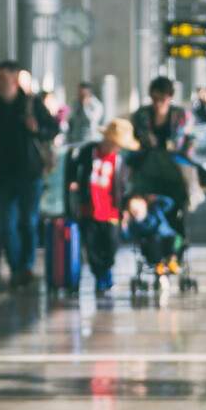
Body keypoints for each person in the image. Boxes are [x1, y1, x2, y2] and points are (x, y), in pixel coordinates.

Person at [0, 60, 58, 287]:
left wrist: (37, 128)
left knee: (28, 222)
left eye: (3, 77)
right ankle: (16, 265)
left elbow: (53, 128)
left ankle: (26, 266)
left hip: (29, 174)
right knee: (5, 224)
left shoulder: (31, 104)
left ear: (14, 78)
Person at [73, 117, 136, 296]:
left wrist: (124, 208)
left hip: (111, 211)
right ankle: (100, 275)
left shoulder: (120, 161)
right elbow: (74, 168)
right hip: (89, 210)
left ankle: (106, 270)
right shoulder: (88, 152)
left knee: (111, 245)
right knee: (91, 246)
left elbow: (123, 187)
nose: (117, 148)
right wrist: (73, 183)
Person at [122, 192, 183, 272]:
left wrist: (157, 198)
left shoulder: (155, 209)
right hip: (152, 245)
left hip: (167, 238)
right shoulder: (135, 223)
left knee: (176, 238)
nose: (136, 211)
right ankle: (159, 264)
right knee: (154, 240)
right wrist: (124, 224)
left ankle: (172, 261)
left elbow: (170, 203)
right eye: (133, 209)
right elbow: (127, 236)